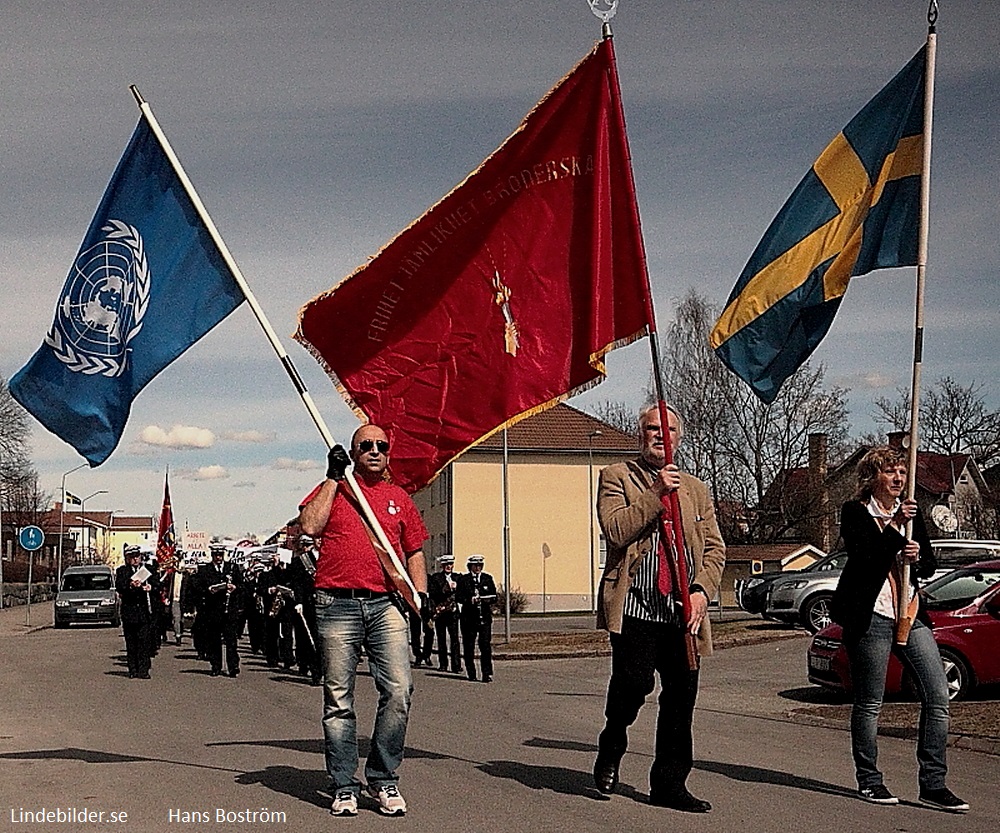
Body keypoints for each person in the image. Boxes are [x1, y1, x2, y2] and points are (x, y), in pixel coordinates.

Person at [593, 403, 725, 812]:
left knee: (680, 699)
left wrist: (702, 590)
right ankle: (613, 739)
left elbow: (716, 549)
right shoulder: (617, 477)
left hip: (682, 613)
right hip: (635, 608)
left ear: (679, 439)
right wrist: (655, 495)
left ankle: (669, 784)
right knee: (633, 685)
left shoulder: (697, 489)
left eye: (668, 430)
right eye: (652, 429)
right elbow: (616, 531)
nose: (659, 436)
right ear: (640, 434)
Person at [830, 446, 968, 812]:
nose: (898, 480)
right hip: (871, 617)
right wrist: (893, 529)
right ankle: (870, 780)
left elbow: (928, 565)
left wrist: (917, 557)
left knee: (938, 695)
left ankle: (933, 784)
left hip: (909, 612)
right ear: (872, 477)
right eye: (890, 473)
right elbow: (866, 559)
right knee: (870, 703)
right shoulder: (855, 513)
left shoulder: (911, 514)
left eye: (902, 474)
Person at [299, 424, 428, 817]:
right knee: (338, 699)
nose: (374, 450)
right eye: (365, 445)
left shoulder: (398, 498)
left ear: (389, 454)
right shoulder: (336, 489)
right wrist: (333, 478)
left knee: (399, 691)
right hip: (336, 604)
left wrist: (418, 597)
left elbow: (415, 551)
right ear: (352, 452)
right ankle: (343, 784)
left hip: (387, 604)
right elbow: (309, 526)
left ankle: (383, 777)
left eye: (381, 446)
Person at [196, 542, 245, 678]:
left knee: (231, 641)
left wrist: (235, 587)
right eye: (216, 555)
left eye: (220, 555)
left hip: (229, 610)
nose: (218, 557)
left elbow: (242, 586)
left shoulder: (232, 568)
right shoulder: (205, 569)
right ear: (212, 555)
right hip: (213, 610)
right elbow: (198, 588)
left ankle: (233, 666)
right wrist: (209, 589)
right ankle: (216, 666)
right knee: (214, 640)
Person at [115, 544, 159, 679]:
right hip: (130, 613)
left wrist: (151, 587)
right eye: (132, 557)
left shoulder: (148, 570)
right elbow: (120, 587)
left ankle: (144, 670)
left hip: (144, 613)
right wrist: (130, 585)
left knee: (144, 642)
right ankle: (133, 669)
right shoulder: (123, 571)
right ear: (127, 558)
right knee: (131, 642)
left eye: (137, 556)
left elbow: (158, 584)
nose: (135, 559)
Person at [456, 554, 497, 682]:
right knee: (469, 646)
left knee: (485, 645)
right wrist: (470, 600)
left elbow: (494, 596)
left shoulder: (487, 578)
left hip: (484, 617)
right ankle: (471, 672)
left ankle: (487, 673)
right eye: (476, 565)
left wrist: (487, 599)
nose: (478, 568)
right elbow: (458, 597)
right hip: (469, 618)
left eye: (480, 565)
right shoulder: (464, 580)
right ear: (470, 567)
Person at [427, 554, 462, 673]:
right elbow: (433, 593)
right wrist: (445, 588)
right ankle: (443, 664)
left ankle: (456, 665)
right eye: (446, 564)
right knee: (441, 639)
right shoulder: (436, 578)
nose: (449, 566)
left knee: (455, 639)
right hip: (440, 612)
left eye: (451, 564)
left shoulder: (458, 577)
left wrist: (457, 588)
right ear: (442, 565)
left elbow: (463, 592)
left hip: (452, 613)